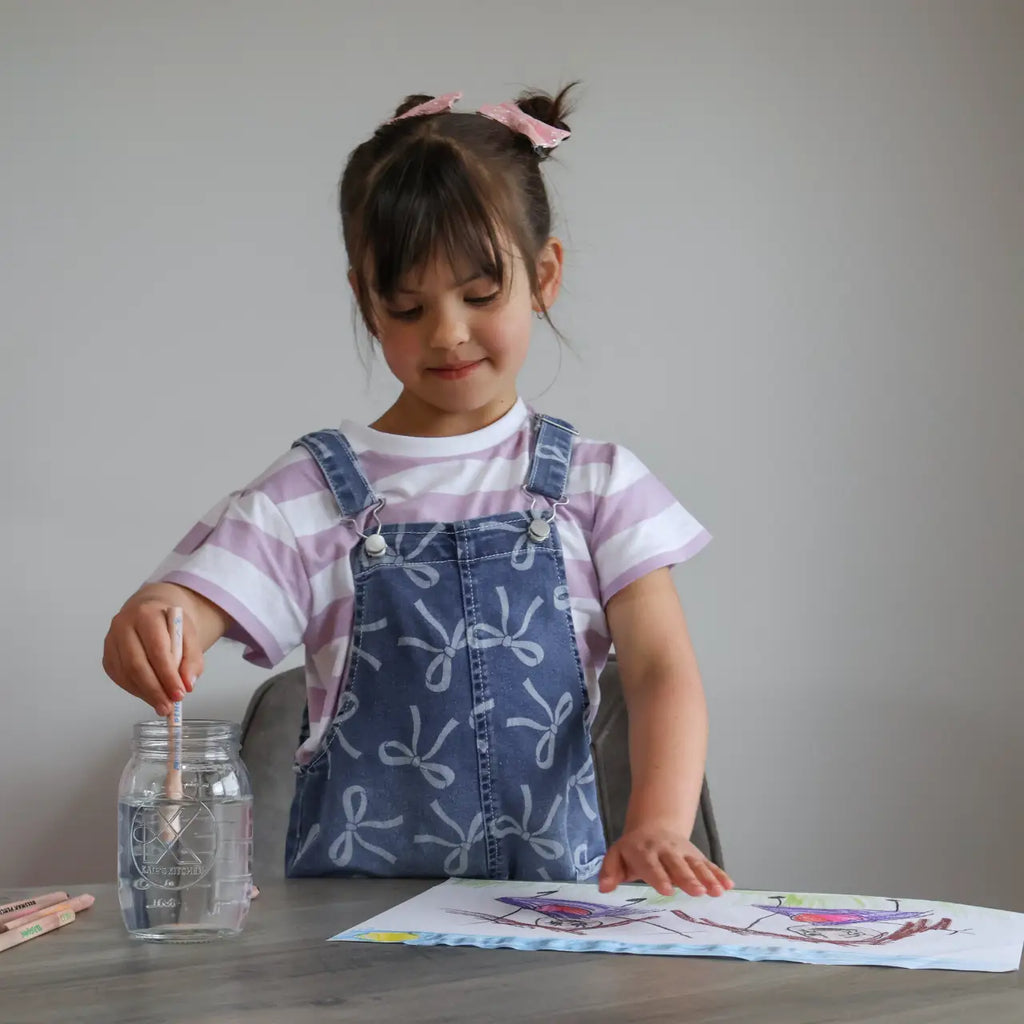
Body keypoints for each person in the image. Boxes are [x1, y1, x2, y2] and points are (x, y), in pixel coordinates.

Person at [102, 85, 734, 899]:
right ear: (367, 301)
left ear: (544, 276)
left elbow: (659, 674)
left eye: (479, 296)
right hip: (352, 932)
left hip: (552, 915)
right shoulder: (311, 492)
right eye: (408, 306)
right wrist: (155, 621)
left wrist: (657, 821)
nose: (447, 333)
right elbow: (188, 607)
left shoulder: (598, 483)